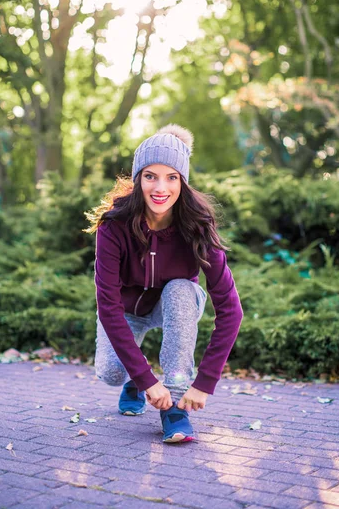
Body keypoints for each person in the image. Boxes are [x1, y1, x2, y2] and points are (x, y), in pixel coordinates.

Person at [85, 124, 243, 443]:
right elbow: (109, 308)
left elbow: (231, 311)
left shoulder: (197, 226)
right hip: (126, 311)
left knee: (181, 290)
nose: (161, 187)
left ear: (182, 181)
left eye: (171, 177)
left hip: (174, 304)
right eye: (150, 176)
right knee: (110, 373)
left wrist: (204, 383)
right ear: (137, 179)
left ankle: (174, 407)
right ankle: (134, 378)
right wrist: (145, 379)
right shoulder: (113, 227)